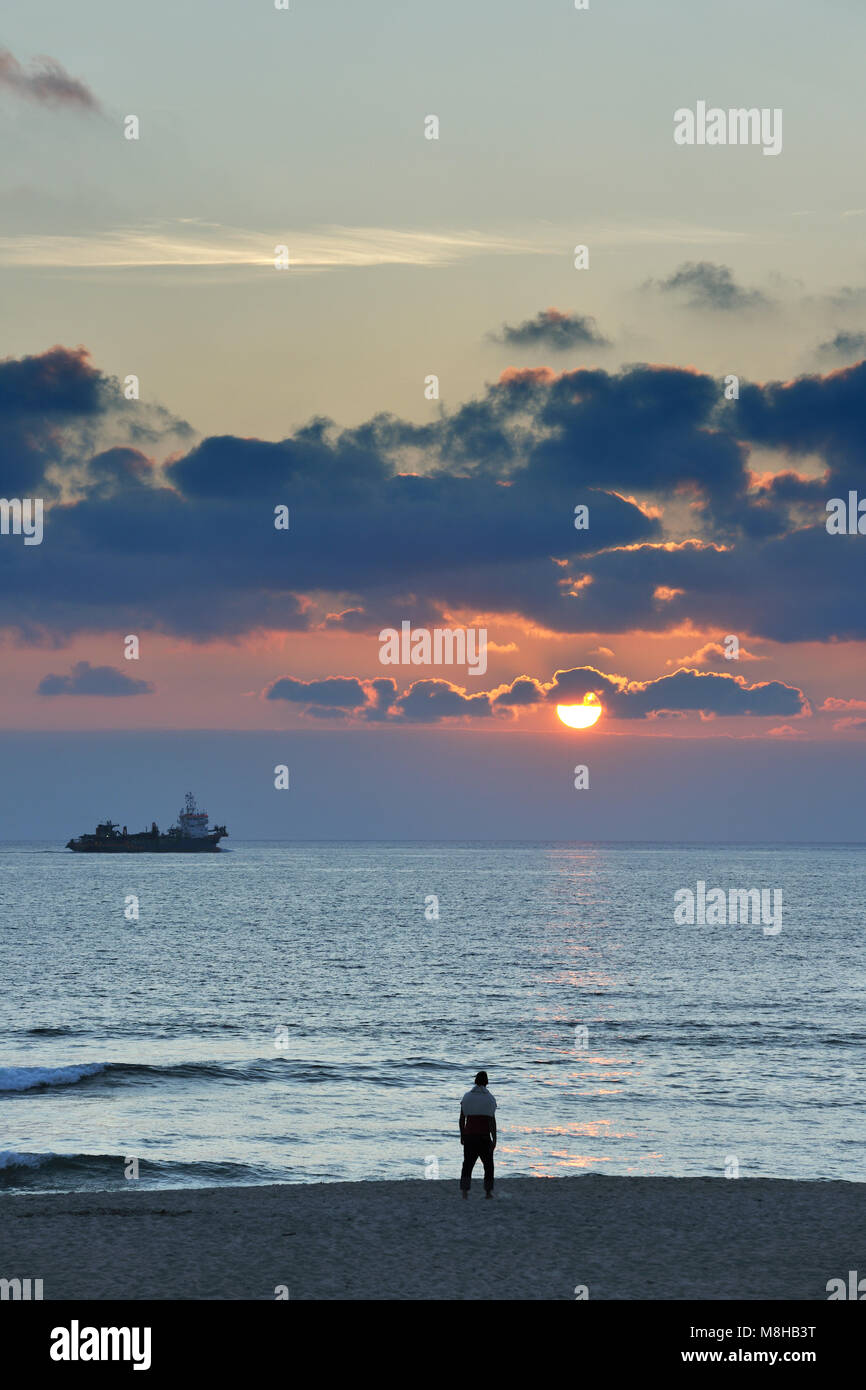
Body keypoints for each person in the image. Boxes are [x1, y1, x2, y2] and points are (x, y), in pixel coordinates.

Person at [459, 1070, 497, 1198]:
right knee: (488, 1165)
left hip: (469, 1136)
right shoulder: (490, 1098)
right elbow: (492, 1121)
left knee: (467, 1164)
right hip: (484, 1137)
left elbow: (462, 1118)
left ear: (475, 1081)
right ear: (487, 1082)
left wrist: (462, 1135)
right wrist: (494, 1139)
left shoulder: (467, 1097)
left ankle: (465, 1191)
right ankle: (488, 1192)